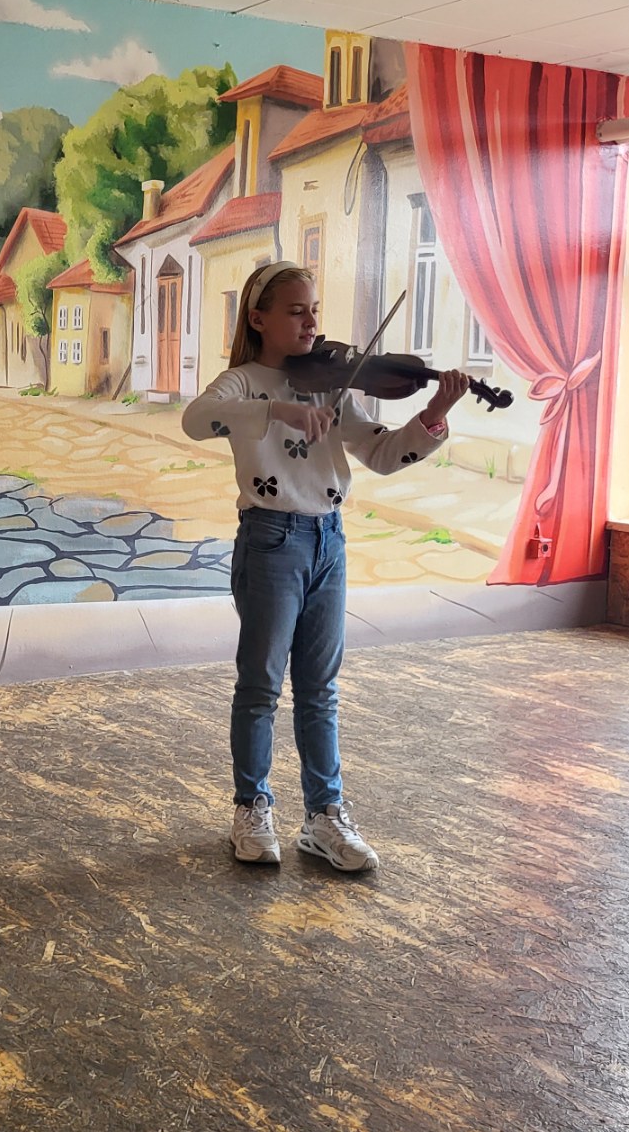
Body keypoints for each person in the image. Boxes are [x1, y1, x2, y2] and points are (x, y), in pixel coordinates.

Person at [181, 262, 469, 872]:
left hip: (328, 540)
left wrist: (434, 414)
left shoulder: (330, 384)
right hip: (270, 539)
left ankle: (324, 816)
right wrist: (277, 411)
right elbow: (195, 420)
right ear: (258, 319)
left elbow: (383, 454)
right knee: (260, 684)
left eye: (314, 309)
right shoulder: (241, 383)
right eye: (296, 311)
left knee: (319, 689)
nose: (311, 321)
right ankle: (251, 806)